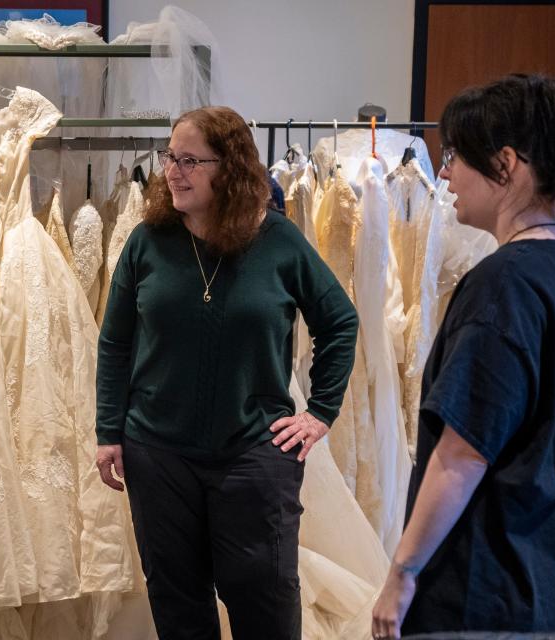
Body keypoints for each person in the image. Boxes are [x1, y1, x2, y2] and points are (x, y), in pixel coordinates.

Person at [95, 106, 359, 639]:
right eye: (171, 157)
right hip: (158, 454)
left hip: (254, 456)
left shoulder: (279, 242)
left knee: (264, 604)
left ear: (232, 168)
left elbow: (340, 322)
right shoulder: (147, 241)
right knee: (178, 605)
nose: (173, 171)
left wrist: (320, 413)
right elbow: (115, 341)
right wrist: (108, 432)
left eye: (190, 160)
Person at [372, 74, 555, 639]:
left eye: (455, 155)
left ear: (505, 164)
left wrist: (401, 573)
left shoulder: (502, 285)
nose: (446, 173)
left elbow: (463, 455)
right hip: (545, 584)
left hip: (484, 591)